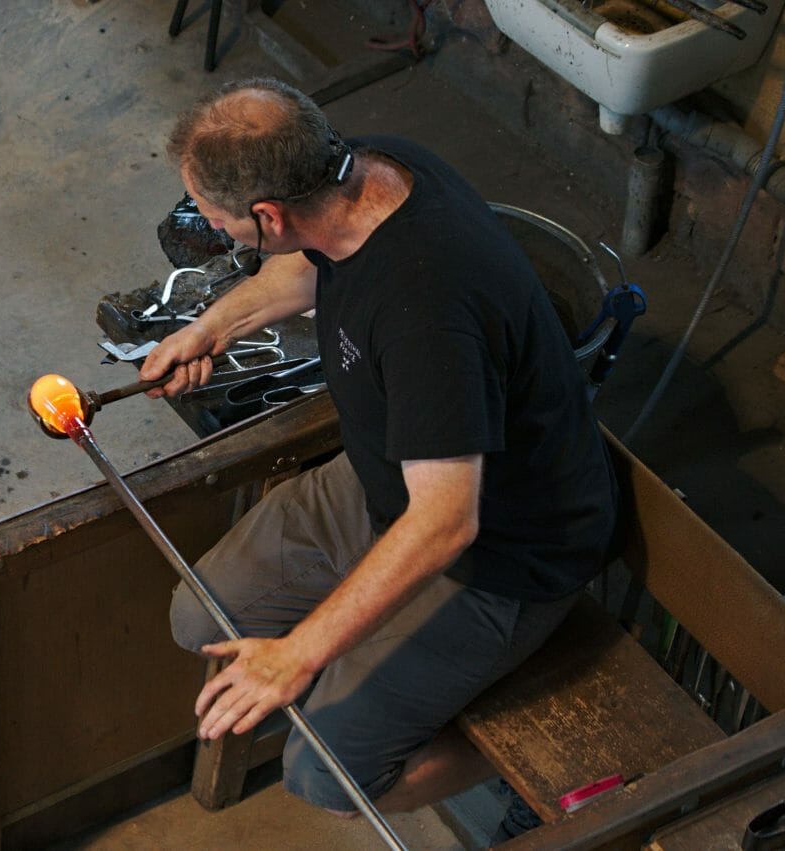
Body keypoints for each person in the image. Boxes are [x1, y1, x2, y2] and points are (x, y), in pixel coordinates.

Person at [139, 77, 621, 816]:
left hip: (503, 555)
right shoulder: (364, 170)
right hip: (385, 480)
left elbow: (446, 522)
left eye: (215, 218)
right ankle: (397, 676)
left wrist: (298, 655)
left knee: (327, 773)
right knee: (199, 618)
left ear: (266, 215)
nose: (210, 227)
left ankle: (537, 761)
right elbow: (309, 261)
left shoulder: (425, 317)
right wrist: (213, 327)